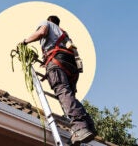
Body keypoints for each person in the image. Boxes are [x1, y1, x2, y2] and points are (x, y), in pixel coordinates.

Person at [21, 15, 96, 145]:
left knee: (63, 92)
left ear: (49, 20)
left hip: (57, 60)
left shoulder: (46, 23)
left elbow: (41, 32)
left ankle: (80, 127)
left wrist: (25, 41)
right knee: (69, 95)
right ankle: (88, 125)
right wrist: (49, 72)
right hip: (71, 65)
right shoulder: (64, 33)